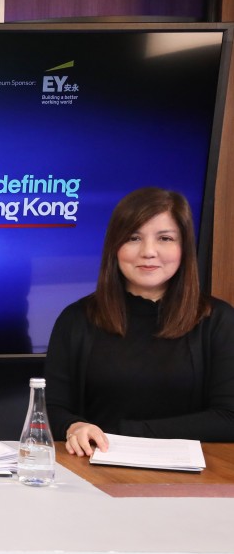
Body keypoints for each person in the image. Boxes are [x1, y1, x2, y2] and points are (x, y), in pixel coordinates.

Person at [45, 187, 234, 455]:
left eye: (165, 238)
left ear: (184, 248)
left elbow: (229, 419)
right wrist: (74, 427)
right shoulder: (77, 319)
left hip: (197, 475)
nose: (148, 251)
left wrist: (129, 434)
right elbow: (51, 408)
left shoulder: (218, 320)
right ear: (114, 246)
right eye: (133, 238)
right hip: (97, 470)